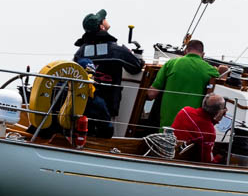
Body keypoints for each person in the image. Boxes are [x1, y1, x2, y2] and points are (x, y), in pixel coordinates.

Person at [73, 8, 144, 137]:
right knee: (108, 137)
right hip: (108, 107)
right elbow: (136, 67)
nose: (106, 19)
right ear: (102, 27)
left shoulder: (80, 52)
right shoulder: (116, 50)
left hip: (83, 104)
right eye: (103, 19)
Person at [146, 39, 229, 128]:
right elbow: (221, 85)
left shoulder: (170, 64)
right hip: (190, 126)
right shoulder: (210, 70)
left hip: (167, 125)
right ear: (203, 54)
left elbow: (151, 94)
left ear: (186, 51)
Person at [171, 94, 226, 163]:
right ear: (219, 111)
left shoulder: (185, 111)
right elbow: (206, 161)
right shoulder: (210, 132)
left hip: (170, 154)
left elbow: (200, 125)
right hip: (185, 163)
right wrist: (219, 157)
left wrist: (213, 121)